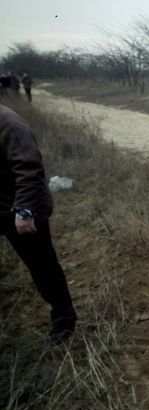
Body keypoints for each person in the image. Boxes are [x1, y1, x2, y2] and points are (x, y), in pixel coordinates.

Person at [0, 104, 77, 341]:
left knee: (43, 267)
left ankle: (64, 321)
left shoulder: (7, 122)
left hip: (20, 210)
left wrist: (24, 210)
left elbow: (29, 167)